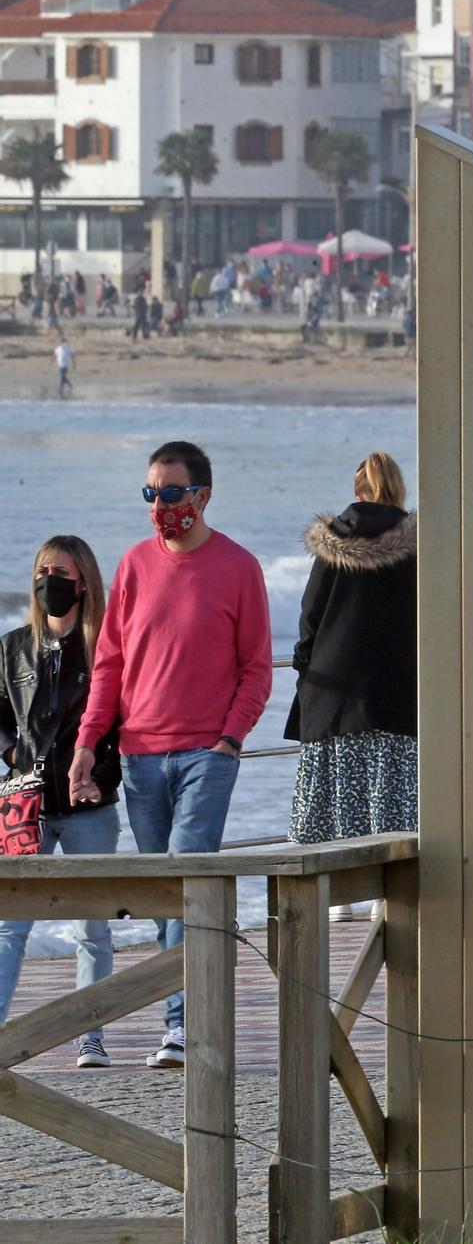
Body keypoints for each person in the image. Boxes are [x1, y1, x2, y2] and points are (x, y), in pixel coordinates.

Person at [70, 441, 272, 1068]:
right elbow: (109, 665)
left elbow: (256, 669)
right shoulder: (132, 566)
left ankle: (182, 1027)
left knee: (189, 881)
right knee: (165, 896)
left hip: (206, 757)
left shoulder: (239, 567)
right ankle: (187, 1007)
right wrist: (86, 742)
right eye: (151, 493)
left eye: (171, 493)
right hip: (139, 756)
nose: (160, 505)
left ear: (202, 495)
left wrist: (230, 741)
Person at [0, 536, 121, 1067]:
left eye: (61, 570)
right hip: (23, 804)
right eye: (42, 569)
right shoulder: (12, 648)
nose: (49, 579)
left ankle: (89, 1034)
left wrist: (102, 771)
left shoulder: (105, 646)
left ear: (84, 581)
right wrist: (9, 753)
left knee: (92, 925)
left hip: (89, 806)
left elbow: (123, 717)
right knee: (8, 924)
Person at [283, 454, 418, 921]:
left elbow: (311, 615)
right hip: (400, 690)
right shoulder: (420, 543)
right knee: (392, 794)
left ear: (358, 492)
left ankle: (338, 896)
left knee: (335, 792)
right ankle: (388, 894)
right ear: (398, 491)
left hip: (333, 690)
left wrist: (304, 668)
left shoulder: (333, 542)